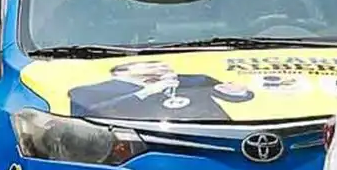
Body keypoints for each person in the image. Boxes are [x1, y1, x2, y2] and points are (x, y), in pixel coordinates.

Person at [66, 60, 254, 121]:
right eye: (152, 65)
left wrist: (237, 91)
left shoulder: (190, 80)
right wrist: (147, 92)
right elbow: (87, 113)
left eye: (163, 65)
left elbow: (237, 97)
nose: (163, 67)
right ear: (122, 70)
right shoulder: (87, 91)